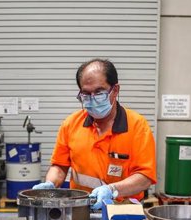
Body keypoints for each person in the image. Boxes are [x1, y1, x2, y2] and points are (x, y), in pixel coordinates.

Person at [33, 58, 156, 210]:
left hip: (123, 210)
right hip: (80, 208)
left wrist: (111, 190)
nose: (92, 99)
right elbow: (59, 166)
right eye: (86, 94)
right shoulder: (71, 124)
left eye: (99, 92)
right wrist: (51, 184)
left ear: (115, 90)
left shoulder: (137, 126)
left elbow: (145, 178)